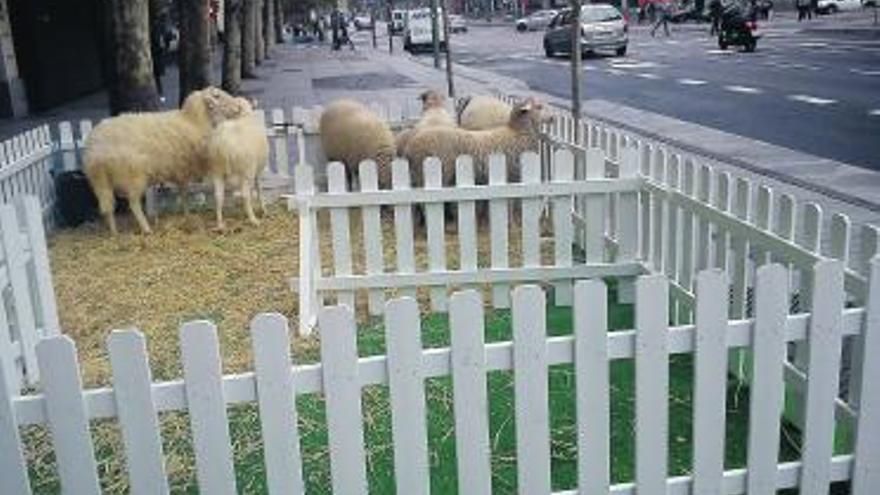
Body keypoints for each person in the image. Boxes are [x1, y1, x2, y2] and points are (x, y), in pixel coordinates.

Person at [150, 13, 170, 103]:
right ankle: (160, 94)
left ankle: (159, 94)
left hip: (156, 54)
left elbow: (164, 40)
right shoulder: (160, 27)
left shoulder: (158, 27)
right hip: (156, 54)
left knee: (156, 76)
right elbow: (163, 41)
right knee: (156, 76)